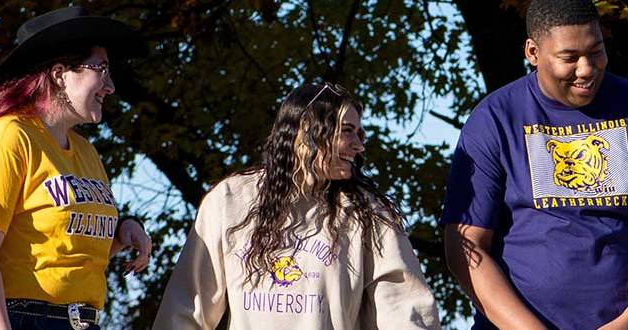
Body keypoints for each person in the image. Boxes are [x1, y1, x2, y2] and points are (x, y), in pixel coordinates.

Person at [440, 0, 628, 328]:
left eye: (596, 51)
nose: (587, 68)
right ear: (533, 52)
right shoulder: (495, 118)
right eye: (569, 57)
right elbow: (464, 247)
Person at [0, 7, 152, 330]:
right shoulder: (9, 137)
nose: (109, 85)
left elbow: (61, 247)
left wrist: (122, 233)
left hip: (75, 321)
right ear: (59, 74)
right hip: (12, 318)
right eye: (101, 69)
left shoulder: (86, 152)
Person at [154, 83, 441, 329]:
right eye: (347, 131)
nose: (359, 145)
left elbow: (406, 311)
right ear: (308, 131)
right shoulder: (231, 200)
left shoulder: (366, 214)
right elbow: (185, 310)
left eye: (359, 134)